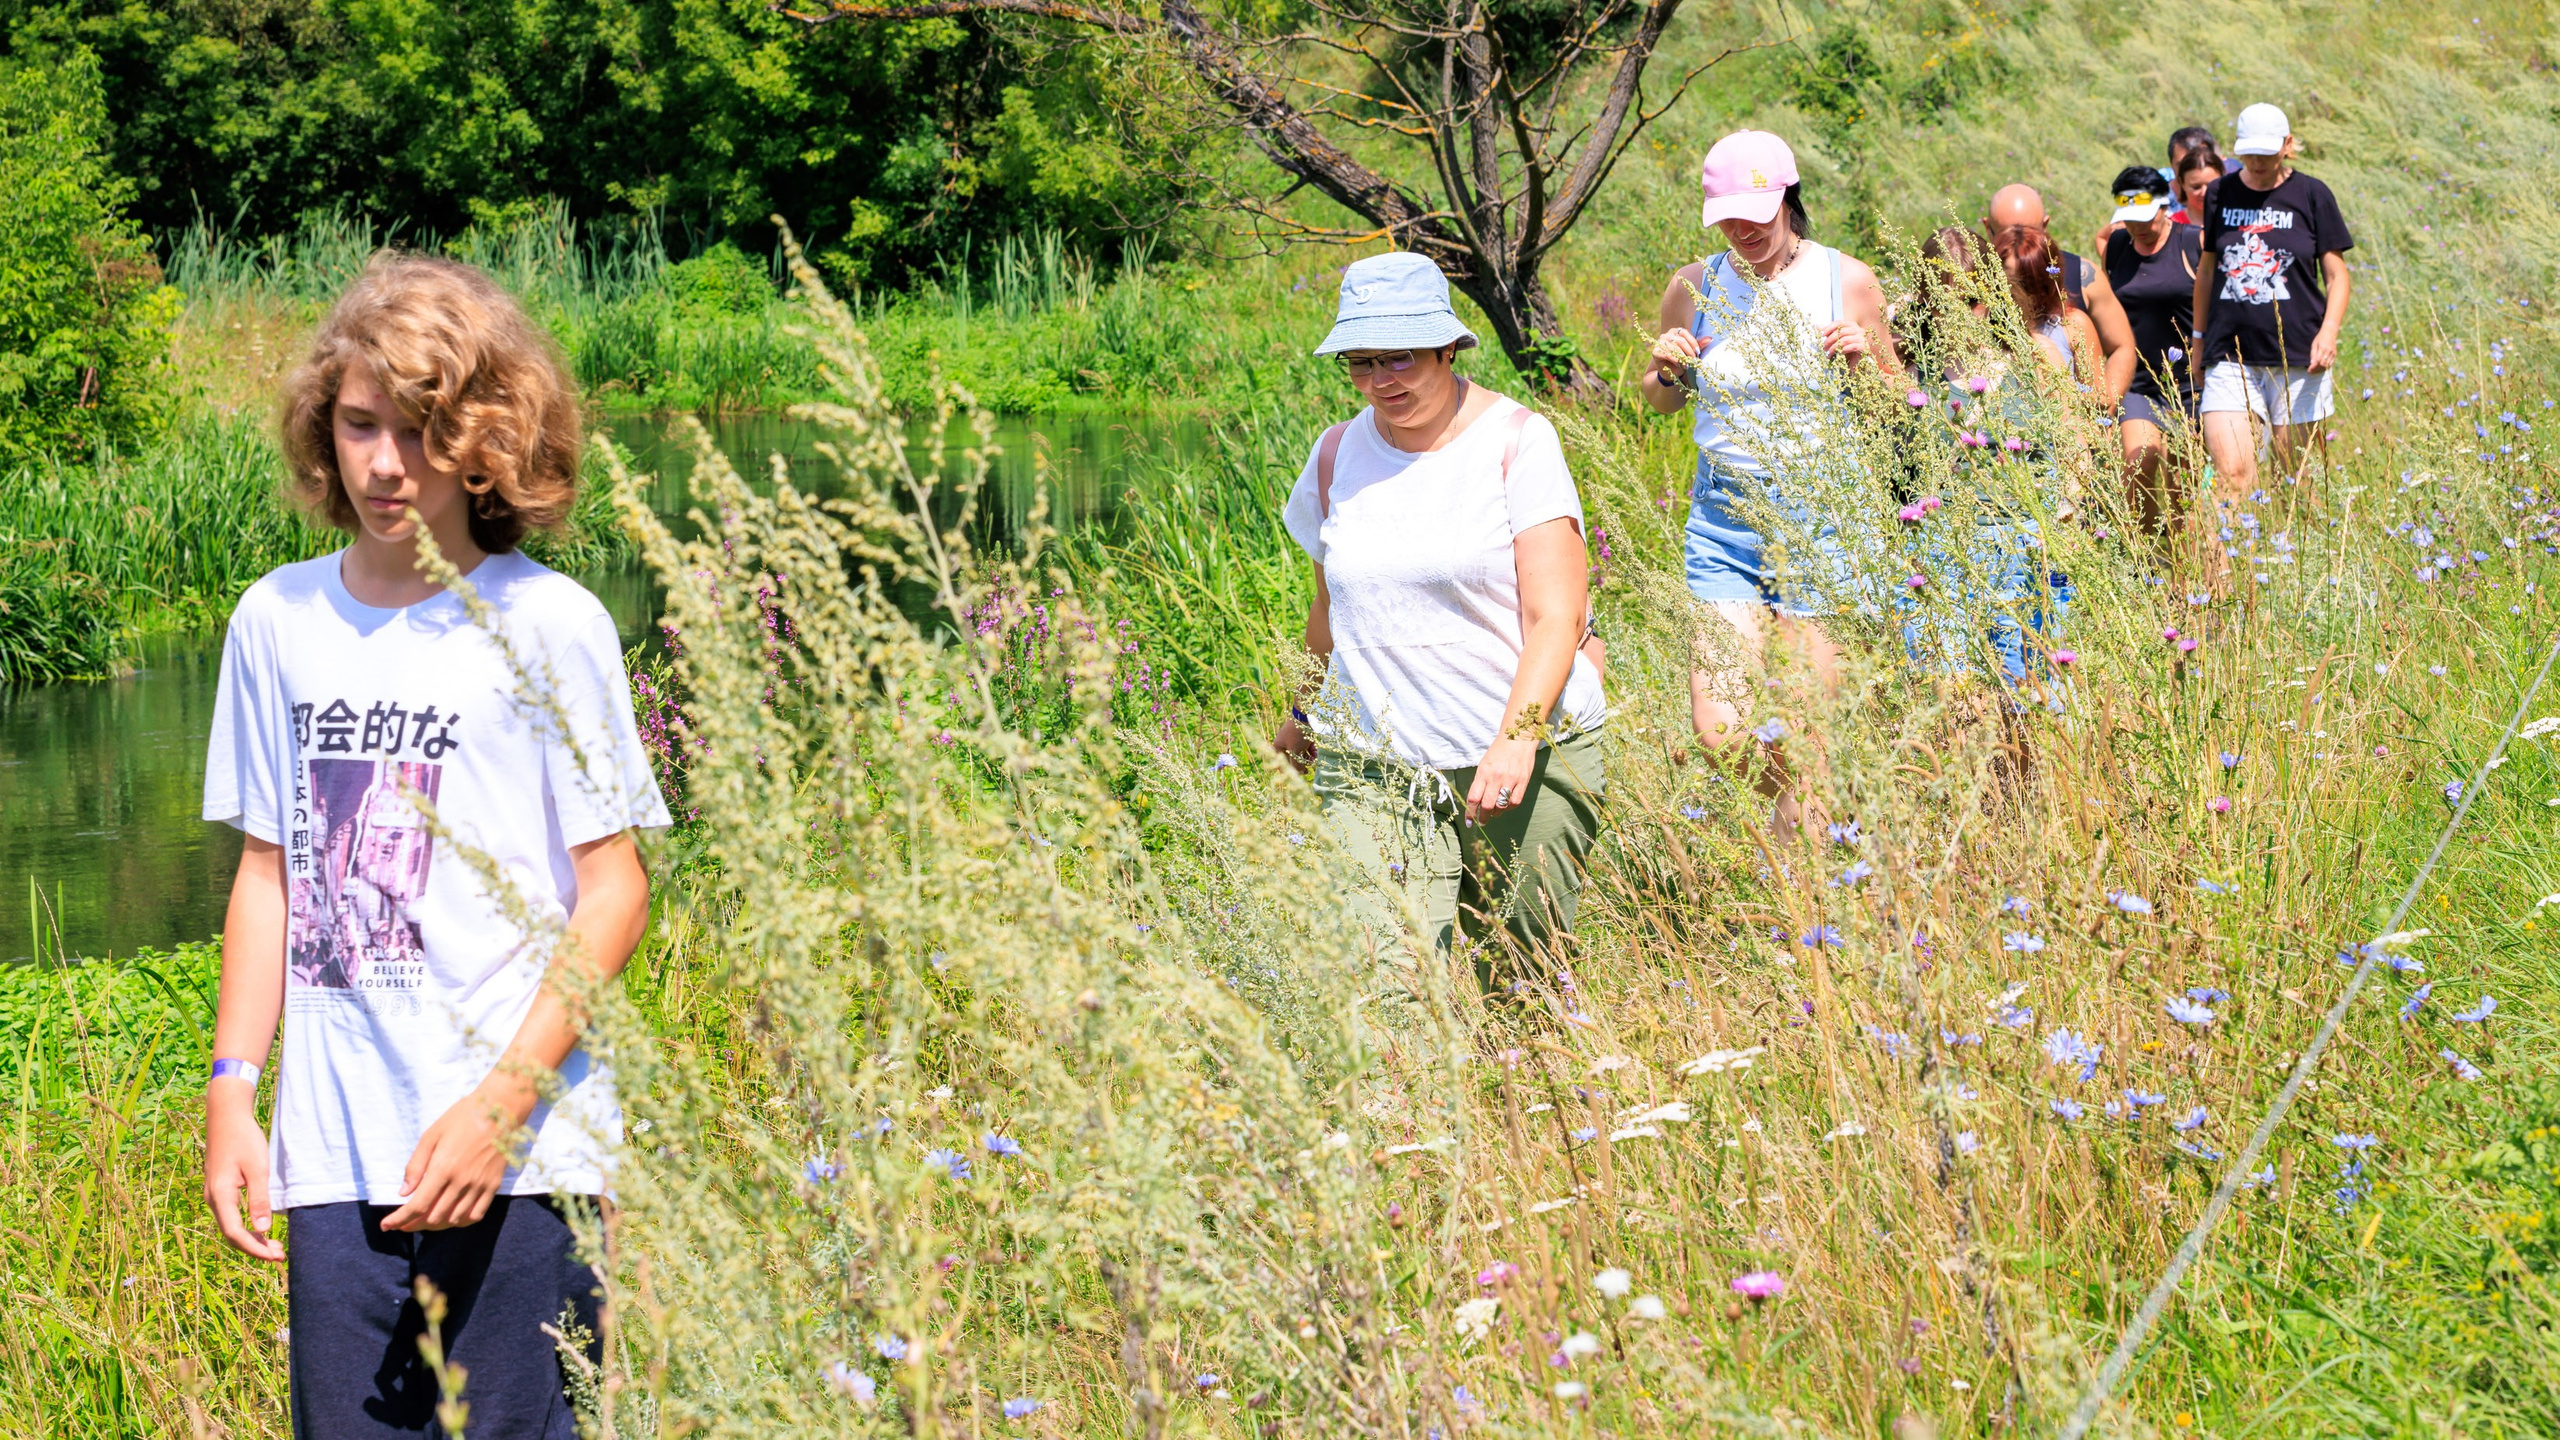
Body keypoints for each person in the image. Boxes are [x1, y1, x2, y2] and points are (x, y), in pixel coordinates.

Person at [202, 253, 670, 1438]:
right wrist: (232, 1095)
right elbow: (267, 879)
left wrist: (499, 1109)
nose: (384, 465)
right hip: (336, 1155)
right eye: (360, 425)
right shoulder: (276, 621)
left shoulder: (549, 624)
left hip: (526, 1158)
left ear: (483, 442)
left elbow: (613, 894)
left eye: (418, 432)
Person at [1272, 251, 1605, 979]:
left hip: (1521, 753)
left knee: (1520, 976)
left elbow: (1557, 616)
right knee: (1388, 978)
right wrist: (1303, 714)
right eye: (1361, 363)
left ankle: (1516, 1053)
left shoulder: (1518, 441)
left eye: (1400, 358)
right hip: (1375, 762)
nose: (1380, 381)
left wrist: (1516, 740)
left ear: (1449, 349)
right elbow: (1331, 607)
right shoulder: (1335, 456)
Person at [1637, 129, 1896, 836]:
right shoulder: (1694, 285)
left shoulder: (1848, 280)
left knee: (1808, 734)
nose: (1742, 230)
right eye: (1726, 217)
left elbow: (1897, 406)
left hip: (1824, 516)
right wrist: (1668, 370)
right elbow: (1661, 399)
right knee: (1721, 733)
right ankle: (1815, 811)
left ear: (1788, 198)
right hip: (1723, 520)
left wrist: (1862, 364)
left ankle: (1796, 883)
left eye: (1755, 213)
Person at [2190, 102, 2354, 504]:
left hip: (2298, 356)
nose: (2257, 163)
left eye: (2266, 153)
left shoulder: (2312, 194)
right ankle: (2229, 548)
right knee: (2232, 473)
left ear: (2287, 144)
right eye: (2249, 154)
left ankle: (2297, 544)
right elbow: (2207, 271)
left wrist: (2329, 332)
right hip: (2229, 355)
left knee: (2297, 479)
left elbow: (2337, 275)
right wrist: (2198, 340)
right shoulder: (2220, 193)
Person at [2102, 163, 2204, 531]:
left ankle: (2181, 557)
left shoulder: (2192, 242)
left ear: (2164, 206)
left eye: (2145, 218)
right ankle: (2146, 552)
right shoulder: (2117, 245)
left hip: (2188, 385)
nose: (2138, 227)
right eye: (2129, 220)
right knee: (2138, 462)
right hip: (2139, 383)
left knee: (2183, 485)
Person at [1986, 183, 2136, 408]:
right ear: (1988, 229)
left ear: (2045, 226)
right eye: (2005, 236)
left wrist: (2104, 407)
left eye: (2030, 234)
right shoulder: (1976, 289)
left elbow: (2121, 347)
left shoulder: (2083, 276)